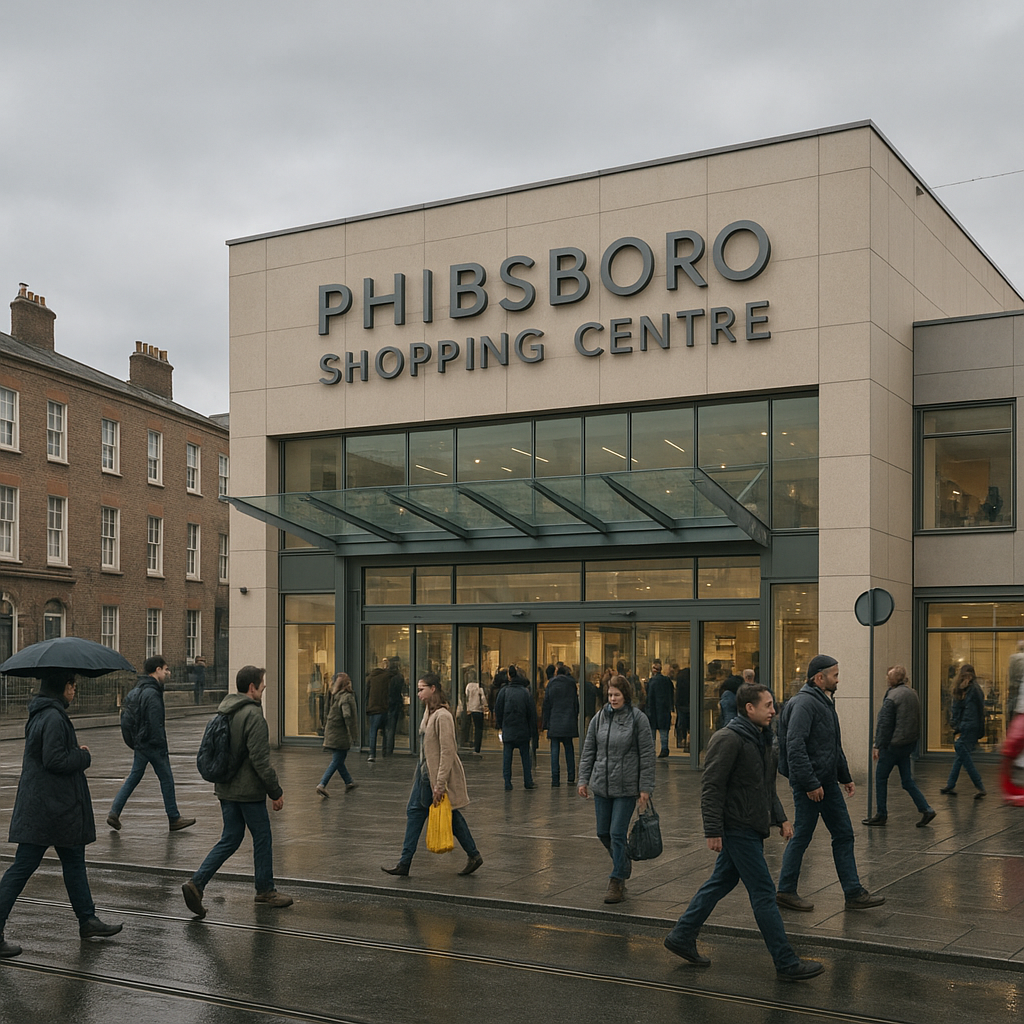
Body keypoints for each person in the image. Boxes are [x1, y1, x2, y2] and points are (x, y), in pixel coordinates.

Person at [664, 683, 822, 981]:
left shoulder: (761, 738)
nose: (773, 711)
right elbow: (711, 787)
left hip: (751, 823)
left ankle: (682, 935)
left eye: (773, 705)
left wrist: (781, 818)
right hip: (736, 827)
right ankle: (786, 963)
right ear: (749, 708)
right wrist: (712, 830)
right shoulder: (728, 738)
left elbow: (764, 786)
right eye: (768, 705)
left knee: (721, 881)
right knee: (764, 892)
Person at [0, 672, 122, 958]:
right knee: (22, 868)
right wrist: (83, 757)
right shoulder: (53, 717)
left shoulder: (44, 713)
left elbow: (50, 753)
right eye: (73, 686)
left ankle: (88, 920)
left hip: (51, 807)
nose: (75, 691)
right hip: (49, 808)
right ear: (64, 687)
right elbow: (53, 759)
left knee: (74, 862)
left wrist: (71, 750)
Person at [775, 654, 884, 913]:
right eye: (834, 675)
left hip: (826, 783)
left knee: (843, 834)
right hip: (811, 786)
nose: (838, 679)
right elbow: (794, 747)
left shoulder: (823, 702)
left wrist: (844, 776)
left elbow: (831, 745)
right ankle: (785, 890)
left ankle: (853, 892)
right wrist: (811, 784)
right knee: (802, 835)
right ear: (819, 678)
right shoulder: (804, 704)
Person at [181, 666, 292, 918]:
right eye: (262, 685)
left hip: (225, 789)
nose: (264, 688)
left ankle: (197, 883)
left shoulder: (225, 710)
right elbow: (260, 761)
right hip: (248, 792)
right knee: (262, 837)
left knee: (230, 837)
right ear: (251, 688)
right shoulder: (253, 715)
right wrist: (275, 792)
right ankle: (265, 890)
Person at [381, 674, 483, 877]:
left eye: (421, 689)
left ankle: (406, 862)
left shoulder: (443, 716)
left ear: (433, 689)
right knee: (423, 813)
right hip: (424, 774)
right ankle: (406, 862)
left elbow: (447, 752)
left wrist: (439, 784)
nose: (418, 693)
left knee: (436, 814)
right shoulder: (429, 711)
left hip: (433, 777)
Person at [577, 675, 656, 904]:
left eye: (617, 695)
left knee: (617, 833)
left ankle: (617, 880)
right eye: (610, 695)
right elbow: (589, 750)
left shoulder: (638, 719)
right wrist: (583, 779)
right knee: (603, 832)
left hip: (626, 786)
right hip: (601, 785)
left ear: (626, 696)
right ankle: (623, 862)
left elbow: (647, 755)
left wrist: (645, 787)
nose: (612, 699)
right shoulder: (599, 718)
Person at [107, 655, 196, 833]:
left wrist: (134, 741)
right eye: (166, 669)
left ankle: (114, 812)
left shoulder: (136, 691)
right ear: (157, 670)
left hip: (140, 744)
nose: (167, 673)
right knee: (167, 780)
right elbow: (155, 722)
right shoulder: (152, 693)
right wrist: (160, 744)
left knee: (133, 778)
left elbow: (126, 719)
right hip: (153, 745)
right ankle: (174, 818)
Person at [863, 666, 935, 827]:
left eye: (888, 677)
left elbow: (884, 724)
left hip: (892, 746)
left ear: (893, 679)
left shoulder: (892, 696)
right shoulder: (912, 693)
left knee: (880, 778)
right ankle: (926, 809)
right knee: (907, 780)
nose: (886, 679)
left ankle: (881, 814)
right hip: (907, 744)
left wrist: (877, 745)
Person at [941, 663, 987, 798]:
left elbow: (956, 709)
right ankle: (953, 784)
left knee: (962, 754)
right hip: (971, 727)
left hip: (965, 727)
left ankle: (978, 786)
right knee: (961, 755)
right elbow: (979, 711)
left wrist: (956, 726)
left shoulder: (959, 688)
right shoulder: (975, 689)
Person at [494, 664, 537, 790]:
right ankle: (528, 781)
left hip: (508, 729)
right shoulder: (525, 692)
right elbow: (531, 713)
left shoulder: (504, 691)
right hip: (523, 730)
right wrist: (532, 730)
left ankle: (507, 782)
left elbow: (498, 709)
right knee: (525, 758)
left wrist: (501, 725)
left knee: (507, 758)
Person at [317, 672, 358, 797]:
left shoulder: (334, 695)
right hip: (340, 733)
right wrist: (352, 732)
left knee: (339, 758)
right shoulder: (346, 697)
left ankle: (348, 781)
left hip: (332, 731)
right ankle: (322, 784)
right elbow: (347, 715)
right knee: (337, 760)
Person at [542, 663, 579, 786]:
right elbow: (575, 703)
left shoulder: (551, 683)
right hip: (568, 721)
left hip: (554, 720)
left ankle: (555, 778)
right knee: (569, 749)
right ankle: (571, 776)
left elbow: (546, 704)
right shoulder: (571, 684)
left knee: (554, 750)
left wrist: (545, 724)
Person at [646, 659, 673, 758]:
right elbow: (671, 694)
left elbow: (649, 698)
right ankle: (664, 748)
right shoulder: (667, 681)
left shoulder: (652, 682)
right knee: (663, 731)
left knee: (652, 732)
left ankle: (652, 750)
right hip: (664, 709)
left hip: (653, 710)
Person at [365, 659, 391, 762]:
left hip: (373, 708)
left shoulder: (370, 678)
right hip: (384, 707)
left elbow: (366, 694)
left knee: (373, 731)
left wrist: (367, 706)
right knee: (385, 732)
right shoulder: (386, 677)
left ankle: (372, 753)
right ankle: (386, 752)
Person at [384, 658, 407, 756]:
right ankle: (389, 749)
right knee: (391, 727)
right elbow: (402, 689)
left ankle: (385, 748)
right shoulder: (399, 677)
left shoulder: (385, 676)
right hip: (395, 703)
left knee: (386, 727)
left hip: (386, 703)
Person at [464, 669, 487, 755]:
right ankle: (477, 746)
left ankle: (468, 741)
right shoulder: (479, 686)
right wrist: (485, 705)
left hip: (470, 708)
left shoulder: (468, 686)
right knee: (478, 728)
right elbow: (483, 698)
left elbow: (466, 696)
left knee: (468, 726)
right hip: (478, 709)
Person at [674, 666, 691, 751]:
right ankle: (689, 742)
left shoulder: (680, 682)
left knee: (682, 723)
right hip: (690, 704)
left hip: (681, 705)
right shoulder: (691, 683)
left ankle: (683, 740)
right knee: (690, 725)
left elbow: (677, 695)